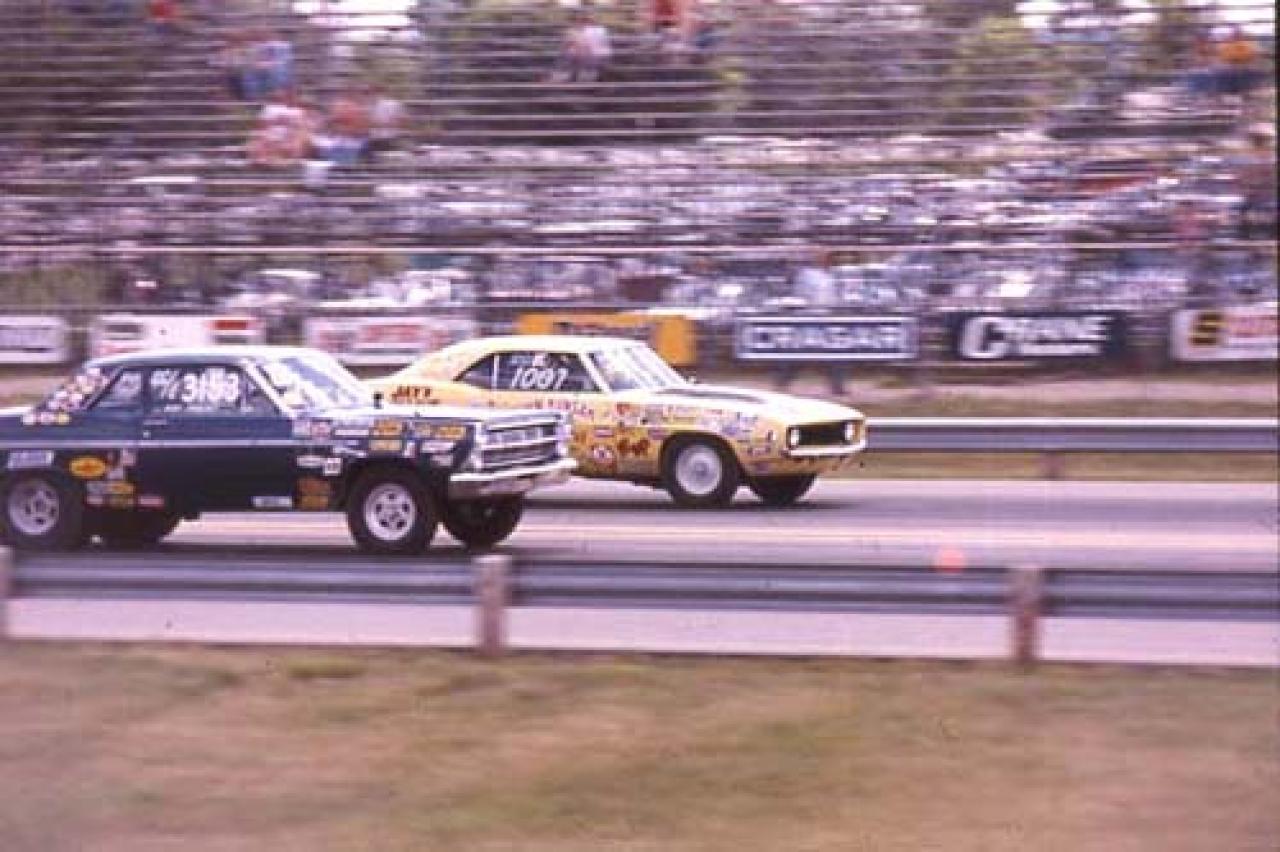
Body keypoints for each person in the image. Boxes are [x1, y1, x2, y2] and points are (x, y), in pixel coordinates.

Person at [774, 250, 849, 397]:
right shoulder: (806, 275)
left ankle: (838, 386)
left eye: (828, 257)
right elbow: (798, 295)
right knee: (796, 353)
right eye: (823, 257)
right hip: (808, 318)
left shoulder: (833, 275)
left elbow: (837, 295)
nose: (827, 260)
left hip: (829, 318)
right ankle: (782, 382)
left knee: (836, 352)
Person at [550, 9, 611, 83]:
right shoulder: (599, 29)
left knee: (570, 54)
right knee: (570, 54)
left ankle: (566, 76)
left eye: (582, 20)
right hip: (592, 56)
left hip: (590, 57)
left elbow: (580, 46)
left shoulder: (589, 31)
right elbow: (568, 45)